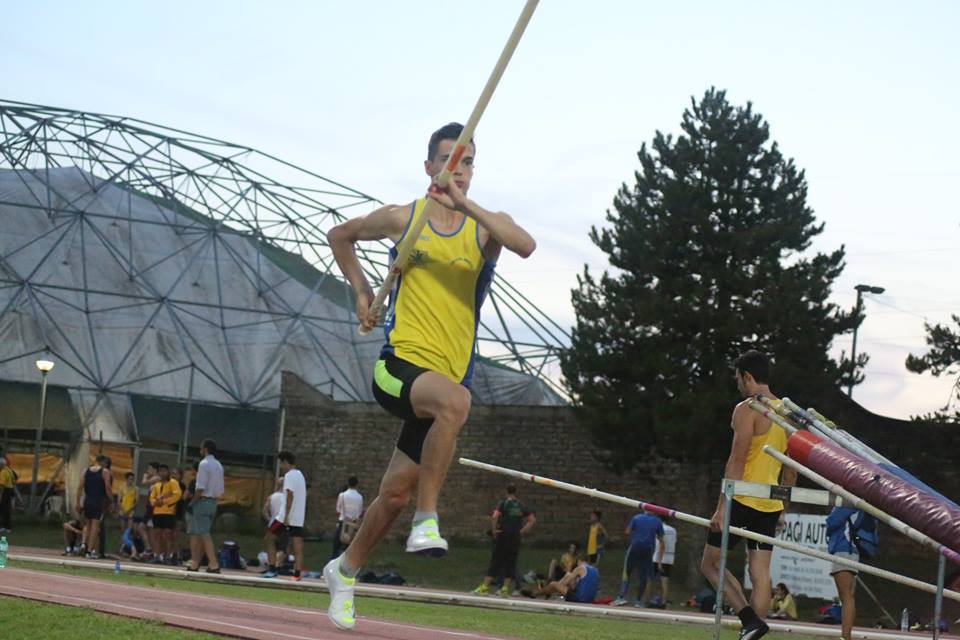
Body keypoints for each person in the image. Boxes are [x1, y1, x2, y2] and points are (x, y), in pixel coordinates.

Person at [322, 122, 537, 630]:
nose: (457, 170)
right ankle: (428, 519)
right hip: (397, 368)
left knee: (392, 493)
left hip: (441, 378)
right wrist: (359, 290)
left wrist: (467, 206)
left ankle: (344, 570)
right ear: (429, 167)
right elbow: (340, 236)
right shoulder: (406, 219)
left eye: (466, 162)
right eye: (448, 160)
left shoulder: (484, 227)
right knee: (456, 403)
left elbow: (525, 245)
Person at [700, 350, 797, 640]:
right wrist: (783, 507)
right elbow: (791, 468)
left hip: (741, 497)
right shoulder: (787, 412)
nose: (737, 383)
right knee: (760, 574)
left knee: (710, 564)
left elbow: (736, 460)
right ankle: (753, 631)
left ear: (748, 376)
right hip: (769, 502)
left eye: (738, 378)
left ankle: (749, 620)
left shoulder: (746, 409)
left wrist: (721, 507)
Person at [473, 484, 536, 596]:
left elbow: (495, 516)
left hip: (503, 535)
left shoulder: (503, 503)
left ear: (506, 491)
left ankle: (485, 587)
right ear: (516, 492)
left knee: (496, 561)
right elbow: (532, 520)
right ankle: (505, 588)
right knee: (511, 562)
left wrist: (494, 530)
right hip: (515, 538)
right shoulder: (521, 505)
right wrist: (521, 531)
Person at [827, 506, 877, 640]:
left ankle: (846, 636)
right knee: (848, 597)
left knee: (846, 597)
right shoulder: (853, 503)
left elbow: (832, 521)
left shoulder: (848, 501)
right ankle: (846, 636)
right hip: (849, 550)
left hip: (845, 550)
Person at [265, 451, 306, 580]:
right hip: (298, 518)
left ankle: (272, 569)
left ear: (286, 462)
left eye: (281, 464)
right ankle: (297, 574)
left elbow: (290, 495)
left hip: (284, 517)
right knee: (297, 546)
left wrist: (287, 515)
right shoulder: (301, 475)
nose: (281, 467)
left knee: (269, 538)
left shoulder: (289, 476)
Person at [187, 439, 224, 574]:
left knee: (203, 533)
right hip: (214, 501)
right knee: (202, 532)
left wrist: (192, 502)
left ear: (206, 449)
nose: (200, 450)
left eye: (201, 448)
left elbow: (200, 486)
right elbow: (220, 488)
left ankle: (213, 563)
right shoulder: (219, 465)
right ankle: (195, 562)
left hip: (203, 500)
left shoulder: (203, 464)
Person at [614, 510, 664, 606]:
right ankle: (638, 601)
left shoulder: (637, 517)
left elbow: (628, 531)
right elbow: (661, 538)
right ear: (655, 512)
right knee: (643, 576)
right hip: (647, 549)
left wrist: (638, 532)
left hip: (635, 547)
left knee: (627, 572)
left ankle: (621, 597)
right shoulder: (657, 521)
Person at [75, 454, 111, 559]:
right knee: (95, 527)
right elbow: (107, 488)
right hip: (98, 500)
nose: (106, 465)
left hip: (88, 500)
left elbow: (80, 487)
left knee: (87, 525)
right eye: (106, 463)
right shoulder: (105, 472)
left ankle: (83, 544)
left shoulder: (85, 471)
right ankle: (89, 551)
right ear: (103, 462)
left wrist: (77, 502)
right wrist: (112, 500)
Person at [525, 558, 600, 604]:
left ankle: (535, 594)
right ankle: (547, 592)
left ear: (579, 561)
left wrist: (560, 584)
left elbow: (565, 583)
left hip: (580, 599)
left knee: (554, 584)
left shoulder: (580, 568)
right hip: (590, 600)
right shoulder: (595, 570)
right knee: (566, 576)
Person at [149, 464, 181, 565]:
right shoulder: (157, 485)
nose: (163, 473)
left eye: (165, 471)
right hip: (157, 512)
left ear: (168, 472)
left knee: (168, 534)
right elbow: (152, 497)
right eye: (160, 471)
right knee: (157, 533)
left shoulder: (173, 483)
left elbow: (177, 495)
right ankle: (157, 555)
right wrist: (155, 503)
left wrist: (165, 501)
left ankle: (168, 556)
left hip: (168, 512)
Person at [645, 518, 677, 607]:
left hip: (657, 557)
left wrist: (659, 561)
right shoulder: (673, 530)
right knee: (665, 581)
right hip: (669, 557)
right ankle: (664, 602)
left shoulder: (658, 528)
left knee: (649, 579)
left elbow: (661, 544)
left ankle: (648, 600)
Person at [332, 476, 363, 560]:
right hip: (353, 524)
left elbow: (338, 510)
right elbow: (360, 513)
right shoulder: (360, 497)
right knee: (350, 549)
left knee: (336, 547)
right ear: (357, 484)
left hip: (343, 523)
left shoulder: (342, 495)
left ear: (348, 484)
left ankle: (333, 564)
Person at [262, 478, 287, 575]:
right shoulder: (287, 498)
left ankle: (271, 566)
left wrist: (269, 519)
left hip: (273, 523)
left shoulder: (272, 497)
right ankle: (278, 566)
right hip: (284, 523)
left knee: (271, 544)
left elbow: (264, 511)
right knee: (283, 547)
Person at [171, 467, 187, 564]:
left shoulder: (181, 486)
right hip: (167, 512)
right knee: (167, 534)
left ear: (180, 476)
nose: (174, 476)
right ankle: (168, 554)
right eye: (173, 473)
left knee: (176, 535)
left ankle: (178, 555)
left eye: (176, 474)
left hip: (177, 513)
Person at [117, 472, 137, 537]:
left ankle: (128, 543)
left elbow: (136, 502)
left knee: (129, 529)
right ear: (126, 479)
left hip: (131, 511)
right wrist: (123, 510)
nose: (131, 481)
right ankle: (122, 545)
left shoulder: (136, 489)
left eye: (132, 479)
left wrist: (129, 510)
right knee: (122, 529)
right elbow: (119, 501)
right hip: (122, 510)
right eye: (129, 479)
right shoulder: (121, 488)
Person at [0, 457, 15, 534]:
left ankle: (3, 527)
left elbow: (2, 485)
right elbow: (13, 480)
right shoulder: (9, 470)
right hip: (10, 490)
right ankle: (7, 527)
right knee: (7, 510)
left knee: (3, 509)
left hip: (5, 491)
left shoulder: (3, 472)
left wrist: (1, 495)